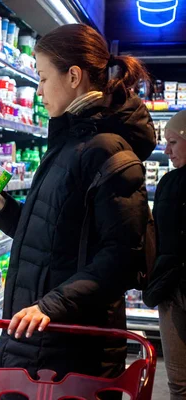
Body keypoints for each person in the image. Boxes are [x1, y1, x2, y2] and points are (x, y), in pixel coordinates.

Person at [0, 23, 155, 387]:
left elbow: (123, 257)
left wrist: (50, 306)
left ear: (74, 76)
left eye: (44, 78)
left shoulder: (107, 150)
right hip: (41, 345)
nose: (39, 91)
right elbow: (48, 236)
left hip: (73, 354)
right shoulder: (70, 145)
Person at [143, 111, 186, 399]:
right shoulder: (168, 183)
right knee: (179, 383)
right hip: (171, 290)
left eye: (172, 141)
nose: (166, 150)